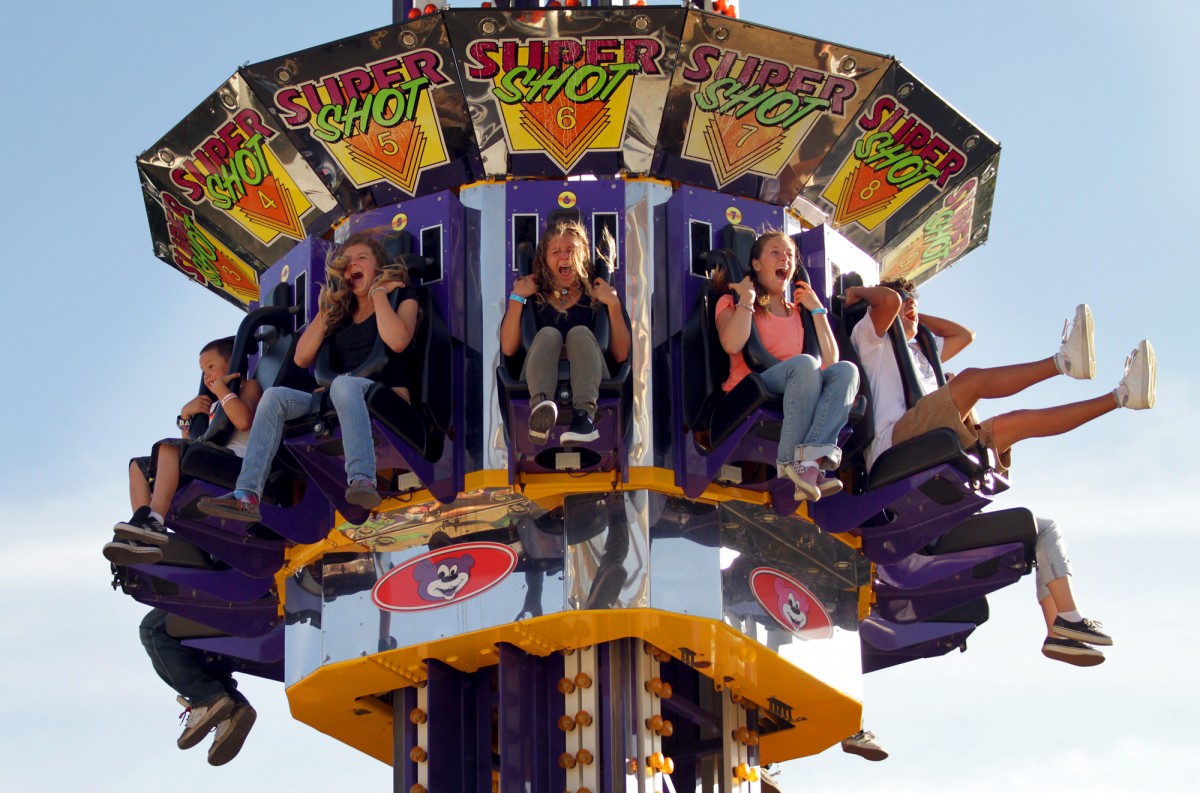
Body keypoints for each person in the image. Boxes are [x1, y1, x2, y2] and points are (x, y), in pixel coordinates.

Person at [198, 234, 419, 520]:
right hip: (338, 396)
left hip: (387, 393)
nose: (353, 264)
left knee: (342, 384)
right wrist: (328, 310)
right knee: (274, 397)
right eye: (347, 262)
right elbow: (302, 357)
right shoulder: (340, 314)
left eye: (362, 258)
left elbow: (398, 340)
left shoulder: (401, 296)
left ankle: (362, 479)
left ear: (379, 265)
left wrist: (378, 293)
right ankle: (247, 494)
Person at [846, 278, 1155, 474]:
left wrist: (914, 312)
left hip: (930, 433)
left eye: (914, 300)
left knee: (1016, 422)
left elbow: (964, 335)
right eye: (904, 298)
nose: (909, 302)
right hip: (894, 441)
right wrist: (859, 291)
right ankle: (1063, 363)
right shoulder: (872, 339)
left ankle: (1122, 397)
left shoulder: (922, 351)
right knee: (969, 381)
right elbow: (889, 303)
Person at [713, 231, 859, 501]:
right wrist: (747, 300)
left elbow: (831, 361)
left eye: (790, 255)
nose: (785, 259)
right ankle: (792, 462)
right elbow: (732, 344)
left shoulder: (798, 311)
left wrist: (817, 310)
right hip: (753, 388)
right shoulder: (733, 302)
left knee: (847, 371)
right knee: (804, 365)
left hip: (800, 383)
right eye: (776, 253)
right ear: (757, 264)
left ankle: (810, 463)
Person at [105, 337, 262, 565]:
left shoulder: (248, 387)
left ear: (233, 362)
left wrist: (221, 390)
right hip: (209, 459)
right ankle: (141, 530)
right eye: (202, 370)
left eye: (210, 366)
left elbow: (243, 420)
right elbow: (192, 445)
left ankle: (154, 521)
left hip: (236, 463)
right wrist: (185, 418)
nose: (206, 374)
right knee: (138, 466)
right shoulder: (213, 403)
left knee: (167, 448)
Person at [501, 219, 629, 446]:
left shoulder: (598, 295)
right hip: (535, 380)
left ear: (582, 255)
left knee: (579, 333)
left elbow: (620, 355)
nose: (564, 257)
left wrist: (614, 304)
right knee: (549, 334)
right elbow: (509, 349)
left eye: (571, 250)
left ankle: (584, 417)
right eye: (556, 251)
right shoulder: (532, 297)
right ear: (545, 259)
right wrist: (516, 298)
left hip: (593, 379)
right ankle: (541, 412)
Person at [139, 608, 256, 766]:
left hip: (241, 603)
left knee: (153, 628)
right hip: (270, 605)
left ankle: (207, 698)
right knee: (198, 646)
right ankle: (231, 707)